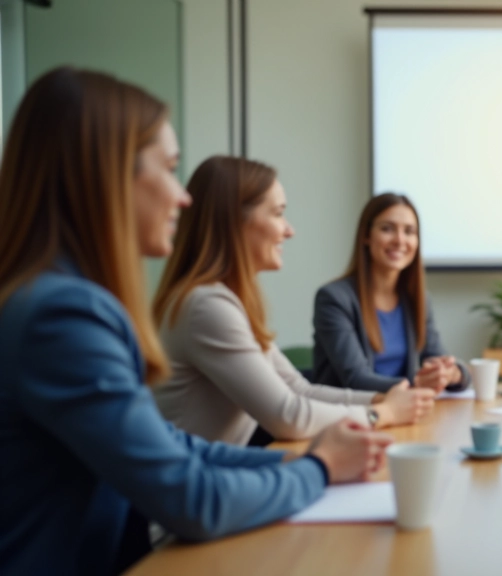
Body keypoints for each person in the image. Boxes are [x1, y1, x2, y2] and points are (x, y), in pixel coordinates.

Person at [0, 68, 393, 575]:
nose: (182, 197)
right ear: (107, 175)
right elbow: (192, 499)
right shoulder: (62, 315)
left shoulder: (59, 299)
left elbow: (173, 446)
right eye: (167, 169)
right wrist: (319, 468)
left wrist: (298, 464)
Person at [152, 157, 434, 446]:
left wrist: (382, 398)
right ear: (235, 222)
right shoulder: (207, 306)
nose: (289, 230)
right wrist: (381, 413)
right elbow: (288, 416)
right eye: (277, 214)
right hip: (187, 487)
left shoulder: (225, 301)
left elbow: (298, 388)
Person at [312, 193, 471, 393]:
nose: (400, 240)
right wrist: (417, 385)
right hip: (350, 417)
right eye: (387, 229)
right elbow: (355, 379)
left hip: (401, 415)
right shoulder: (334, 299)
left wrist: (452, 373)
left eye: (409, 231)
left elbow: (438, 357)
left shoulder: (417, 299)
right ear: (366, 236)